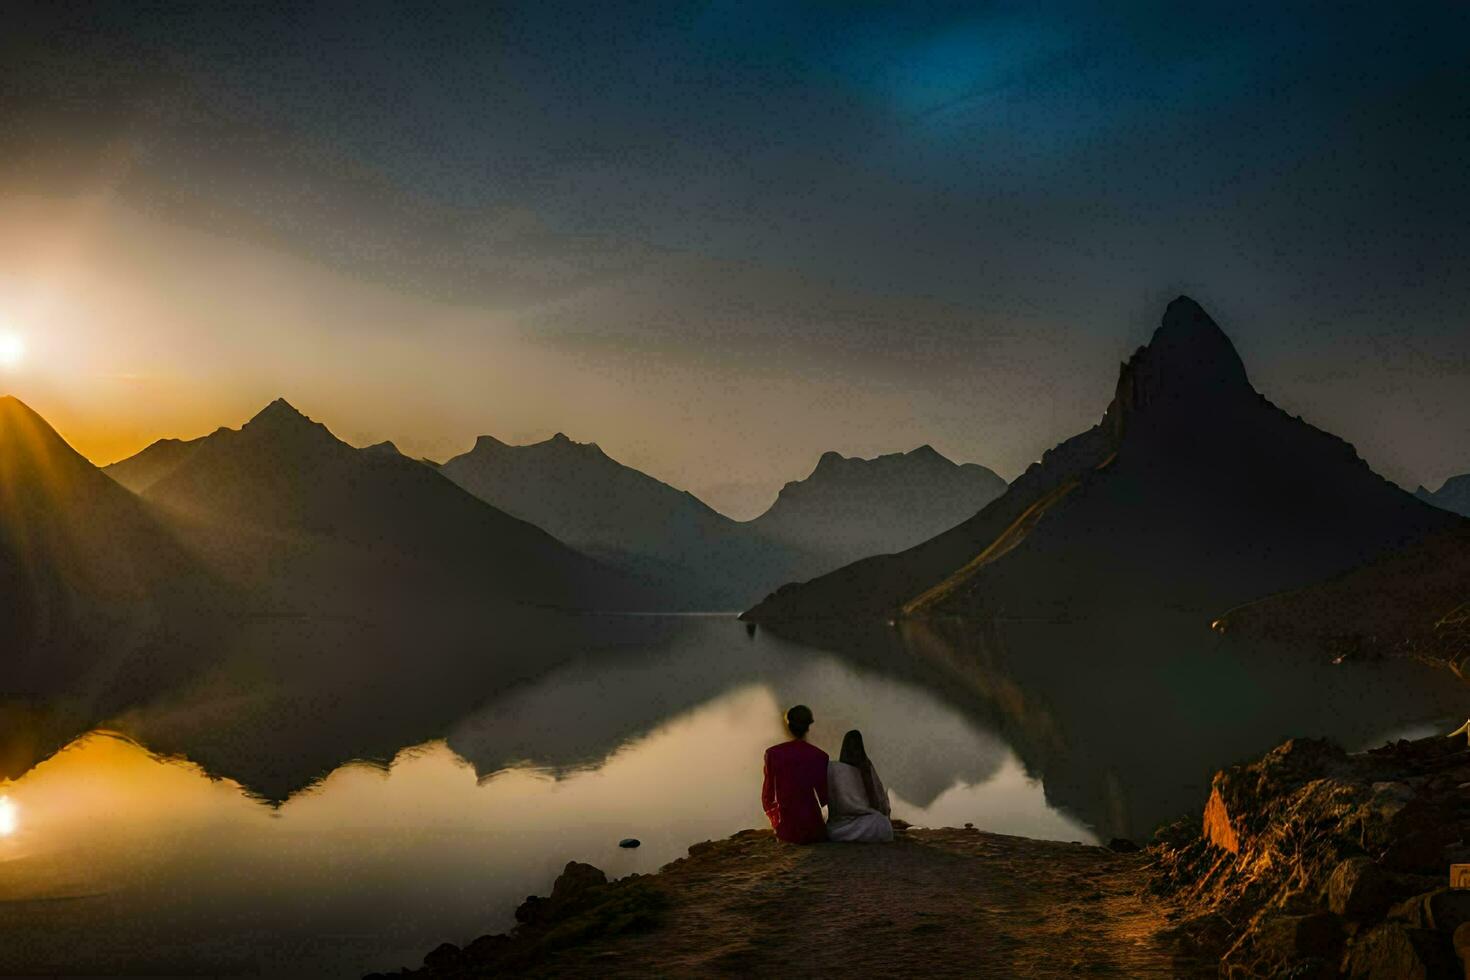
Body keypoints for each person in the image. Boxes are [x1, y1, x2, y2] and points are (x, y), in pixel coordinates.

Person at [761, 704, 829, 844]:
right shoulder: (820, 756)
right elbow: (825, 797)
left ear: (788, 726)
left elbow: (767, 797)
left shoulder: (773, 754)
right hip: (814, 828)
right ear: (808, 727)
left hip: (787, 829)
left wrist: (776, 822)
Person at [826, 729, 893, 843]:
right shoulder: (834, 769)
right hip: (851, 824)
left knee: (880, 821)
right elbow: (881, 804)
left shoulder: (834, 768)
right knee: (882, 823)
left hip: (840, 828)